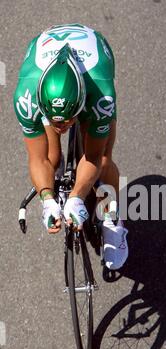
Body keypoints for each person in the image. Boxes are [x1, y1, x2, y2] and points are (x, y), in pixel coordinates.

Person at [13, 23, 128, 270]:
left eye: (68, 120)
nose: (62, 126)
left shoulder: (101, 97)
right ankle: (61, 187)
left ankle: (112, 222)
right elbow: (36, 158)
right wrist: (46, 199)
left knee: (104, 161)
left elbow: (95, 158)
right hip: (44, 63)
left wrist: (76, 197)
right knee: (51, 158)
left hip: (94, 60)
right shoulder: (26, 98)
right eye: (55, 121)